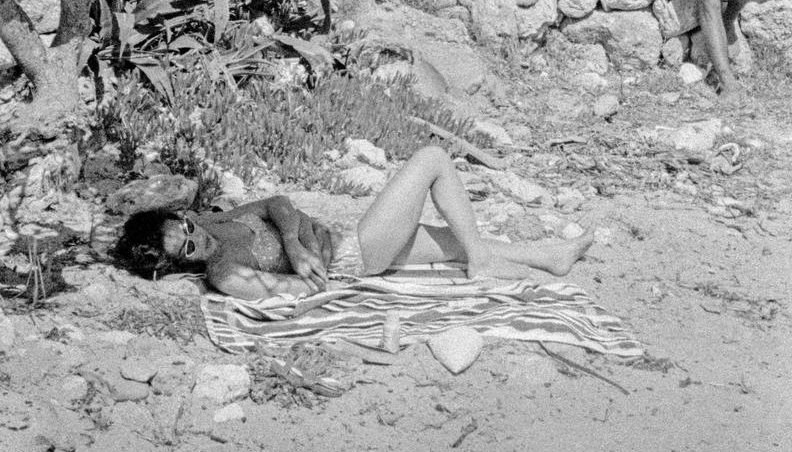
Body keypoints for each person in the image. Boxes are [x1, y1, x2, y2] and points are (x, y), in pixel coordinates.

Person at [117, 146, 594, 301]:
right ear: (177, 266)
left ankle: (548, 257)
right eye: (186, 249)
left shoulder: (212, 223)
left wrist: (293, 240)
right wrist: (306, 267)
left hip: (340, 237)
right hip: (352, 255)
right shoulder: (224, 273)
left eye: (187, 227)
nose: (195, 238)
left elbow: (276, 202)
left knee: (453, 243)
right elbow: (294, 293)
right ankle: (483, 263)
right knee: (432, 158)